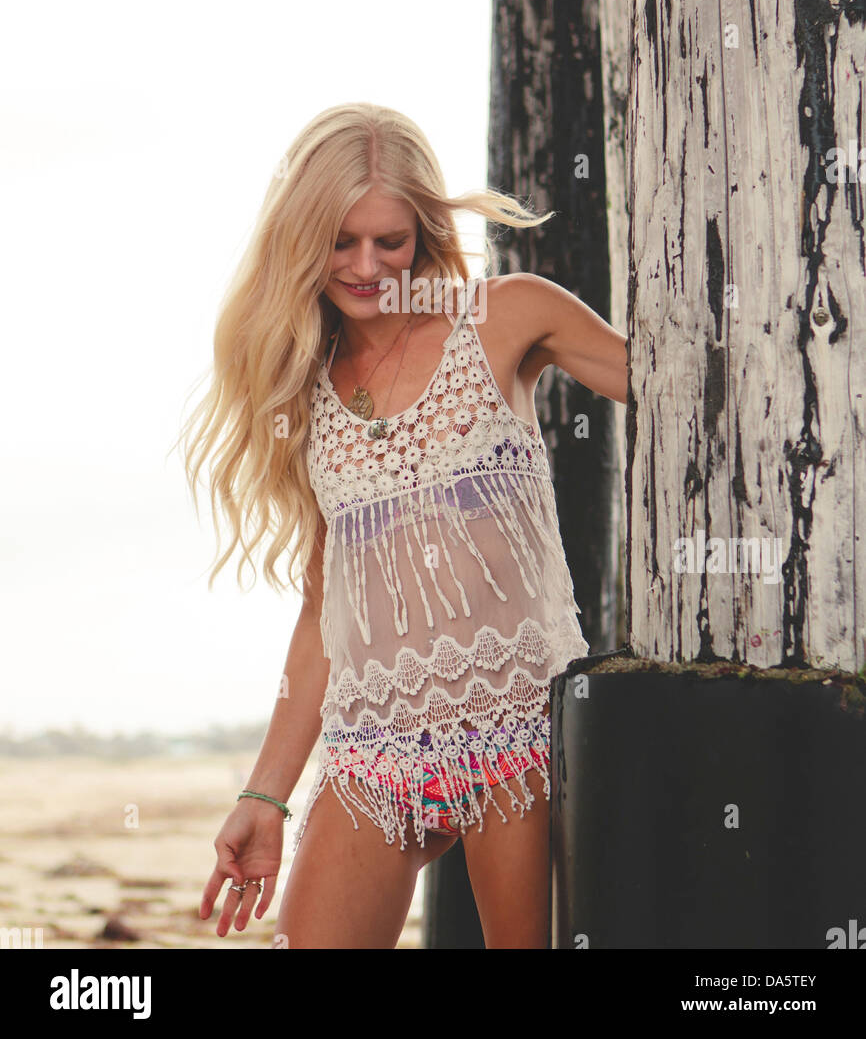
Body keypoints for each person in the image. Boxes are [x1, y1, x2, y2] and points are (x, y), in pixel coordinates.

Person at [181, 101, 627, 948]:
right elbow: (324, 611)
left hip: (516, 724)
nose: (366, 265)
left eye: (390, 240)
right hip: (374, 744)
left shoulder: (508, 317)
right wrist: (264, 796)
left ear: (423, 232)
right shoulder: (301, 387)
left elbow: (679, 381)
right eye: (341, 241)